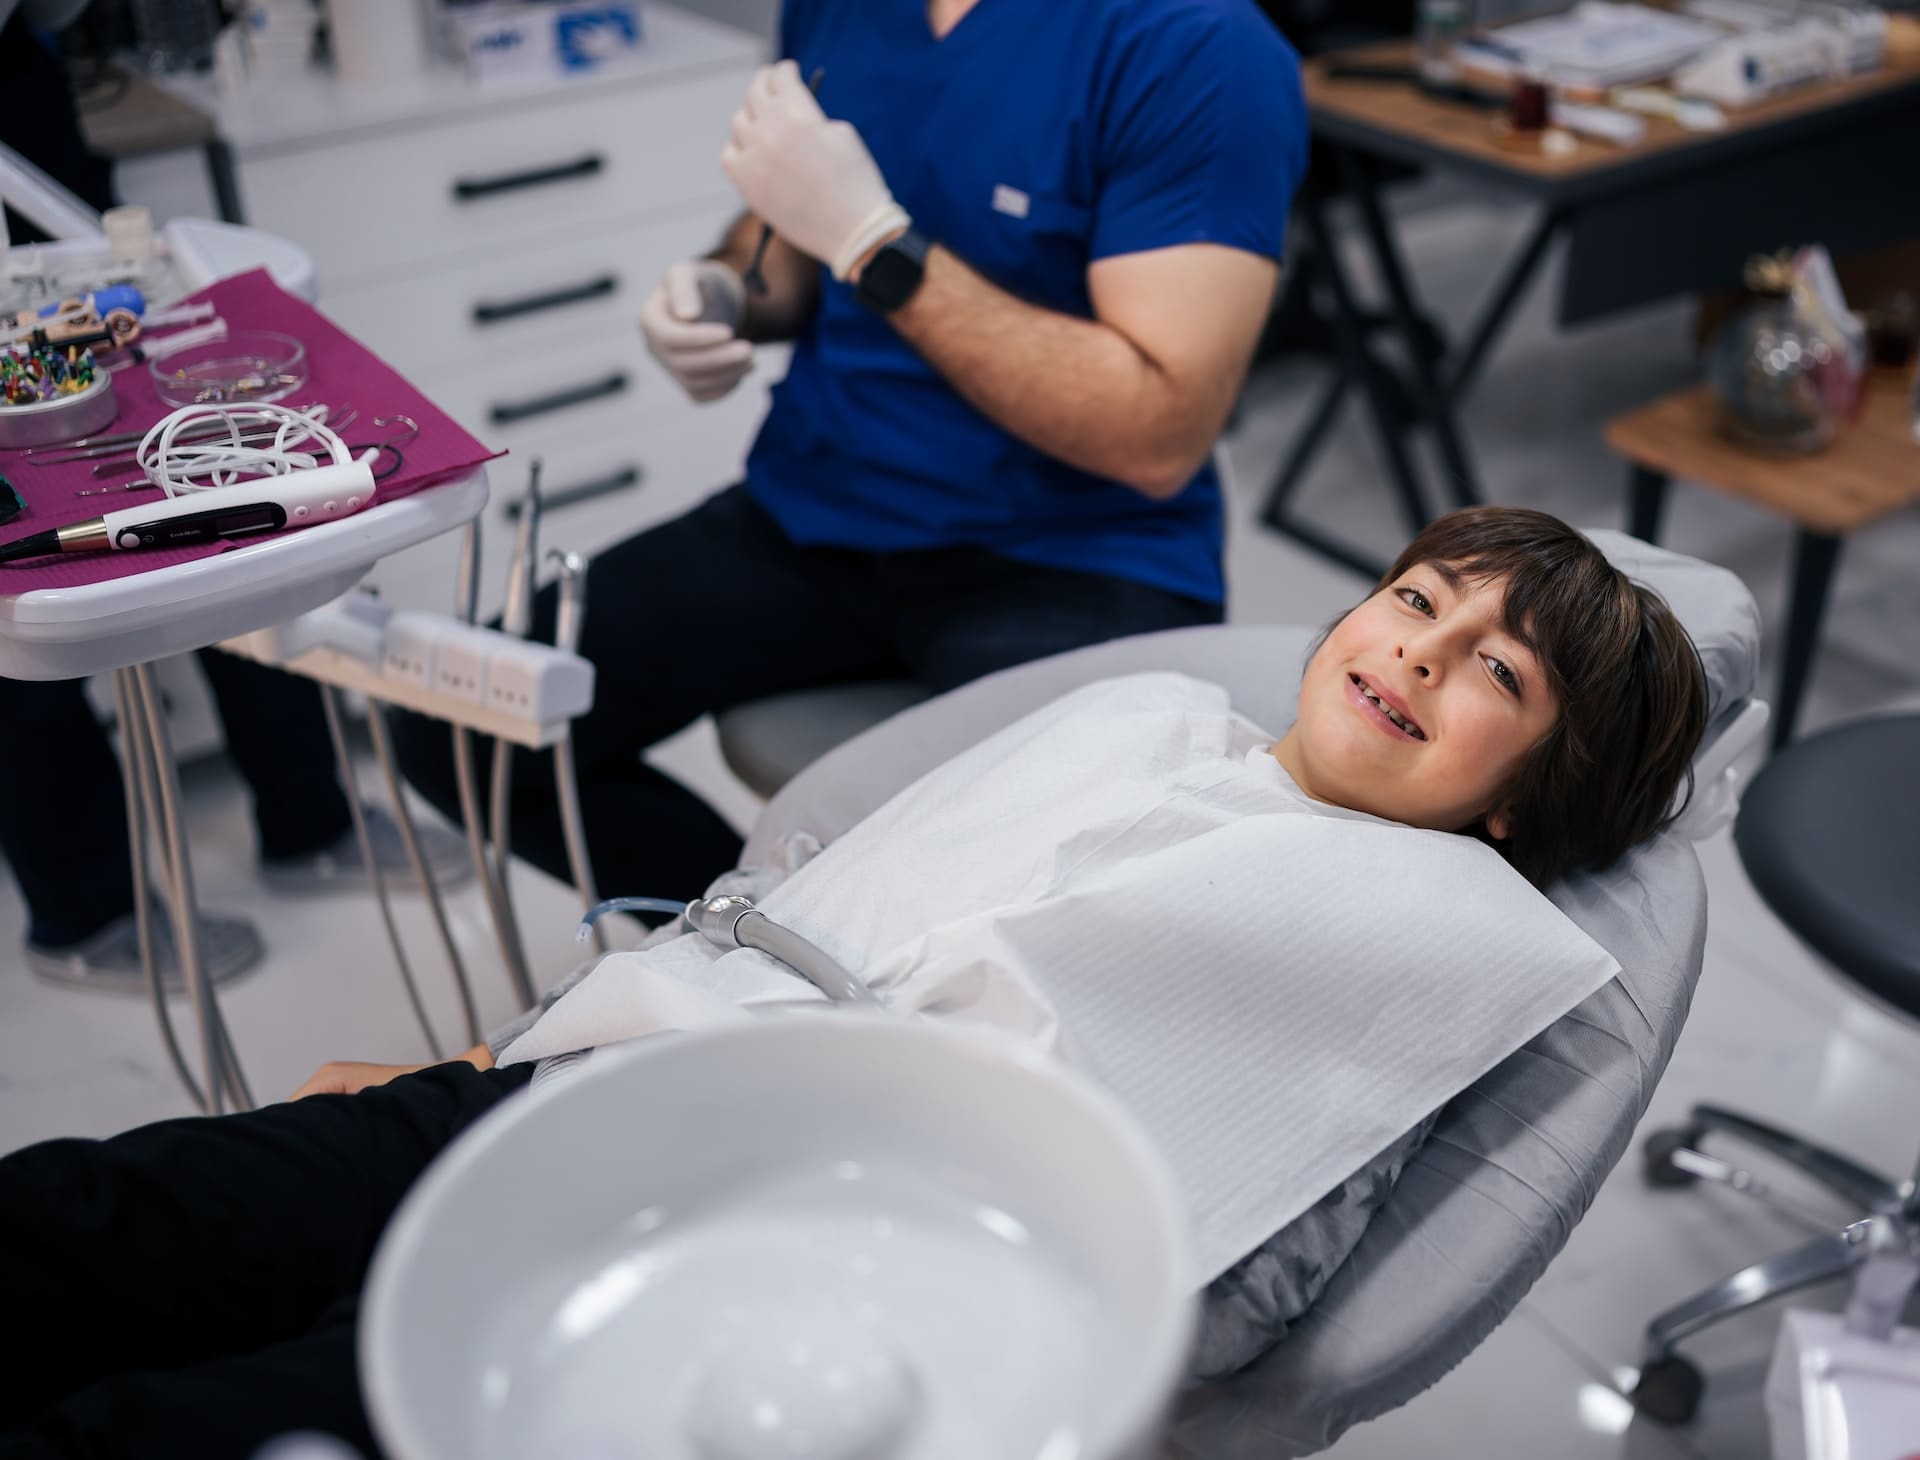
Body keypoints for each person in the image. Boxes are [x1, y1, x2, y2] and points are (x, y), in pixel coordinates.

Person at [0, 507, 1709, 1458]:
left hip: (779, 1250)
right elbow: (771, 916)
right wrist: (483, 1049)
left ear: (1519, 799)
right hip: (582, 1088)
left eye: (1494, 666)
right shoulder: (1150, 712)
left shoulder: (1428, 942)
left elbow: (1233, 1296)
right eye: (1414, 596)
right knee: (98, 1225)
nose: (1415, 642)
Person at [395, 0, 1309, 907]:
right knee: (461, 722)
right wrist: (726, 291)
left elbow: (1156, 433)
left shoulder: (1194, 46)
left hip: (1072, 553)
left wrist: (874, 241)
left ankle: (857, 970)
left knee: (1042, 886)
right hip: (818, 508)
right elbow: (790, 235)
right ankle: (756, 942)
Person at [0, 9, 467, 990]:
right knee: (22, 562)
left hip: (22, 102)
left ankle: (310, 818)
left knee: (206, 465)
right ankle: (87, 908)